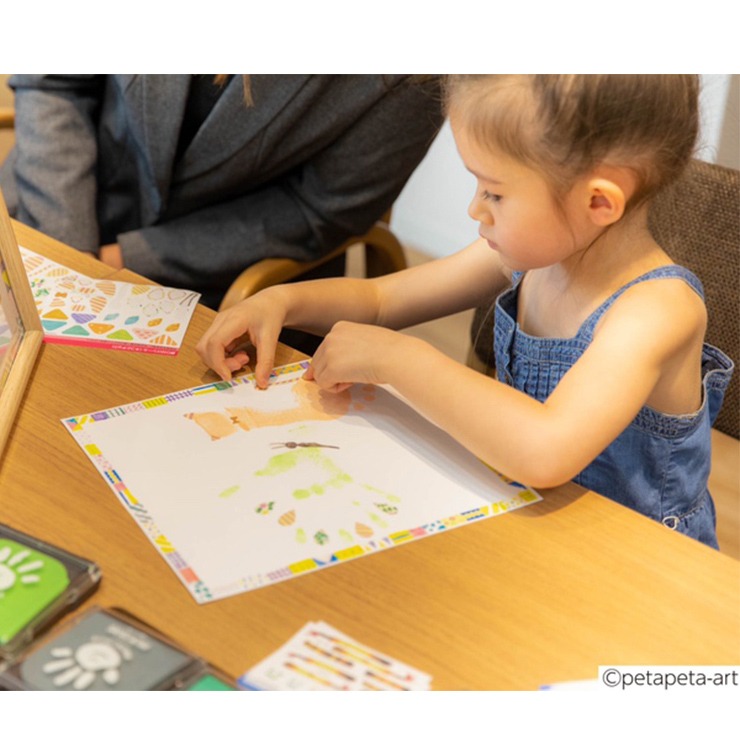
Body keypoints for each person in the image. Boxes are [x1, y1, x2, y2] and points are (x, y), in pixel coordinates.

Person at [195, 75, 734, 549]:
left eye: (494, 193)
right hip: (529, 517)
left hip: (638, 562)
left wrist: (400, 360)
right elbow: (382, 300)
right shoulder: (536, 257)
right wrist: (283, 301)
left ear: (598, 202)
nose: (474, 208)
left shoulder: (656, 310)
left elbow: (545, 450)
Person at [0, 75, 443, 313]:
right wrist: (70, 250)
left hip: (223, 285)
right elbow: (54, 82)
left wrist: (124, 259)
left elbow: (319, 209)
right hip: (50, 206)